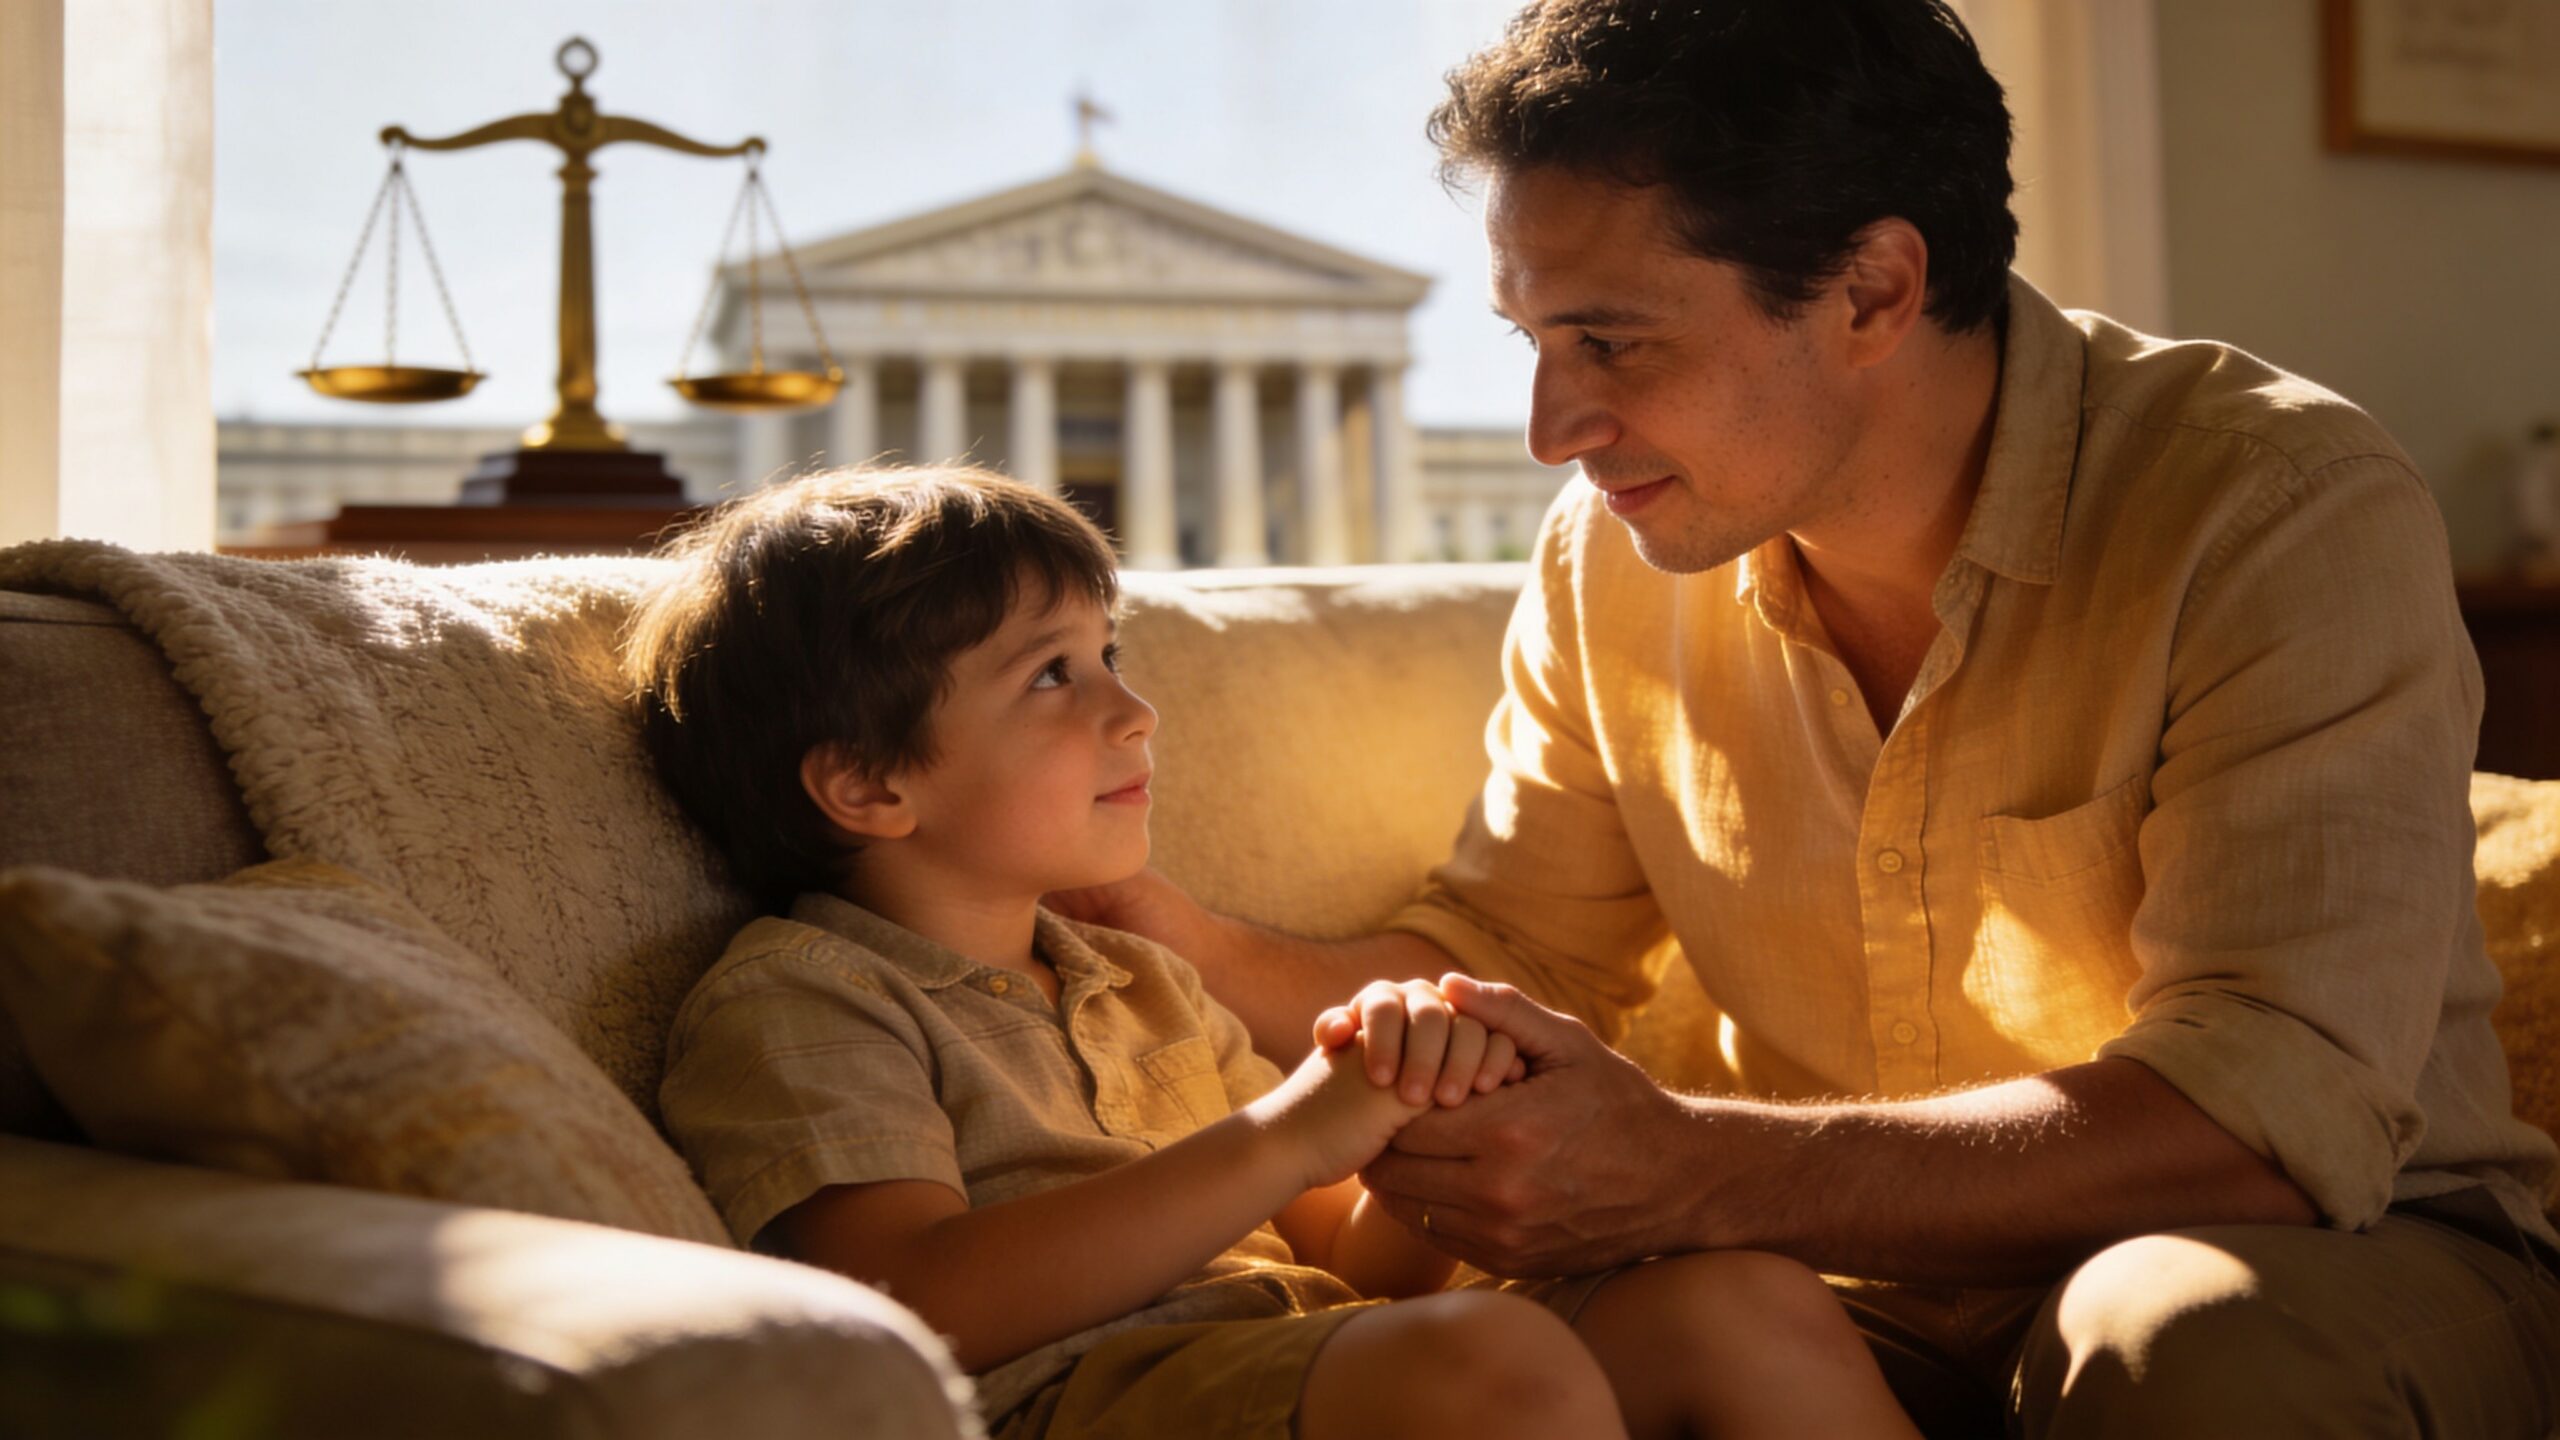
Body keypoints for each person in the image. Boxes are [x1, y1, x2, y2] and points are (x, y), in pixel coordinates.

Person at [1053, 2, 2560, 1434]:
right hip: (1856, 1282)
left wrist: (1695, 1167)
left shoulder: (2276, 508)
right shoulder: (1616, 556)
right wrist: (1153, 923)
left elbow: (2262, 1124)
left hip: (2343, 1251)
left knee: (2174, 1333)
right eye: (1532, 346)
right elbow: (1510, 954)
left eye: (1614, 342)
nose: (1550, 433)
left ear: (1872, 292)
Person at [626, 466, 1927, 1440]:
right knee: (1478, 1365)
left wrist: (1414, 1131)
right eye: (1049, 678)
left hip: (1309, 1352)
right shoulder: (807, 998)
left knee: (1734, 1302)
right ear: (865, 785)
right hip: (1084, 1403)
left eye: (1110, 658)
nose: (1133, 711)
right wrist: (1298, 1130)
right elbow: (902, 1299)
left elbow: (1348, 1262)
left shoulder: (1134, 981)